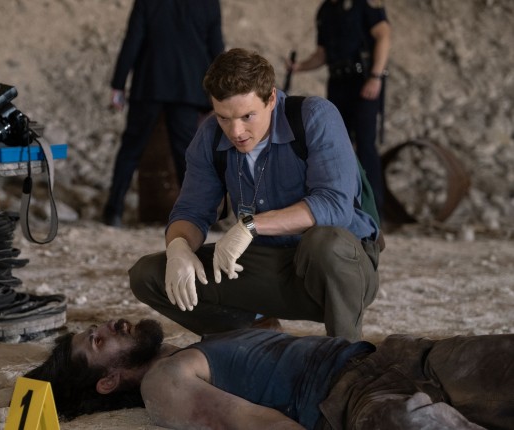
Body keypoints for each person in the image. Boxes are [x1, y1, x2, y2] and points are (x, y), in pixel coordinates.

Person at [128, 48, 381, 342]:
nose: (236, 131)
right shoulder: (209, 136)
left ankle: (345, 355)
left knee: (324, 242)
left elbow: (335, 206)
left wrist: (250, 225)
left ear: (271, 99)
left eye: (247, 116)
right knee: (148, 275)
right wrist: (179, 247)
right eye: (224, 117)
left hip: (339, 270)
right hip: (269, 265)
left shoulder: (314, 116)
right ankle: (256, 337)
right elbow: (191, 211)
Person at [25, 317, 514, 429]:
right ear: (108, 381)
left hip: (401, 357)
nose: (110, 325)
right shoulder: (163, 381)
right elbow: (260, 424)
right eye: (98, 341)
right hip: (358, 402)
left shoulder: (195, 347)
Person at [103, 0, 225, 227]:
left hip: (149, 84)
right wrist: (220, 93)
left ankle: (113, 211)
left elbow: (132, 41)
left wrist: (118, 84)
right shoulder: (208, 3)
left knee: (131, 149)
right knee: (187, 155)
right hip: (188, 89)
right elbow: (216, 48)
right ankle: (200, 215)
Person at [290, 0, 391, 215]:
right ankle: (343, 204)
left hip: (363, 80)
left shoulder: (364, 3)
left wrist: (376, 76)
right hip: (337, 82)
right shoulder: (325, 10)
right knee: (337, 143)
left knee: (365, 143)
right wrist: (299, 67)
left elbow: (384, 35)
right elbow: (322, 54)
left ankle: (374, 211)